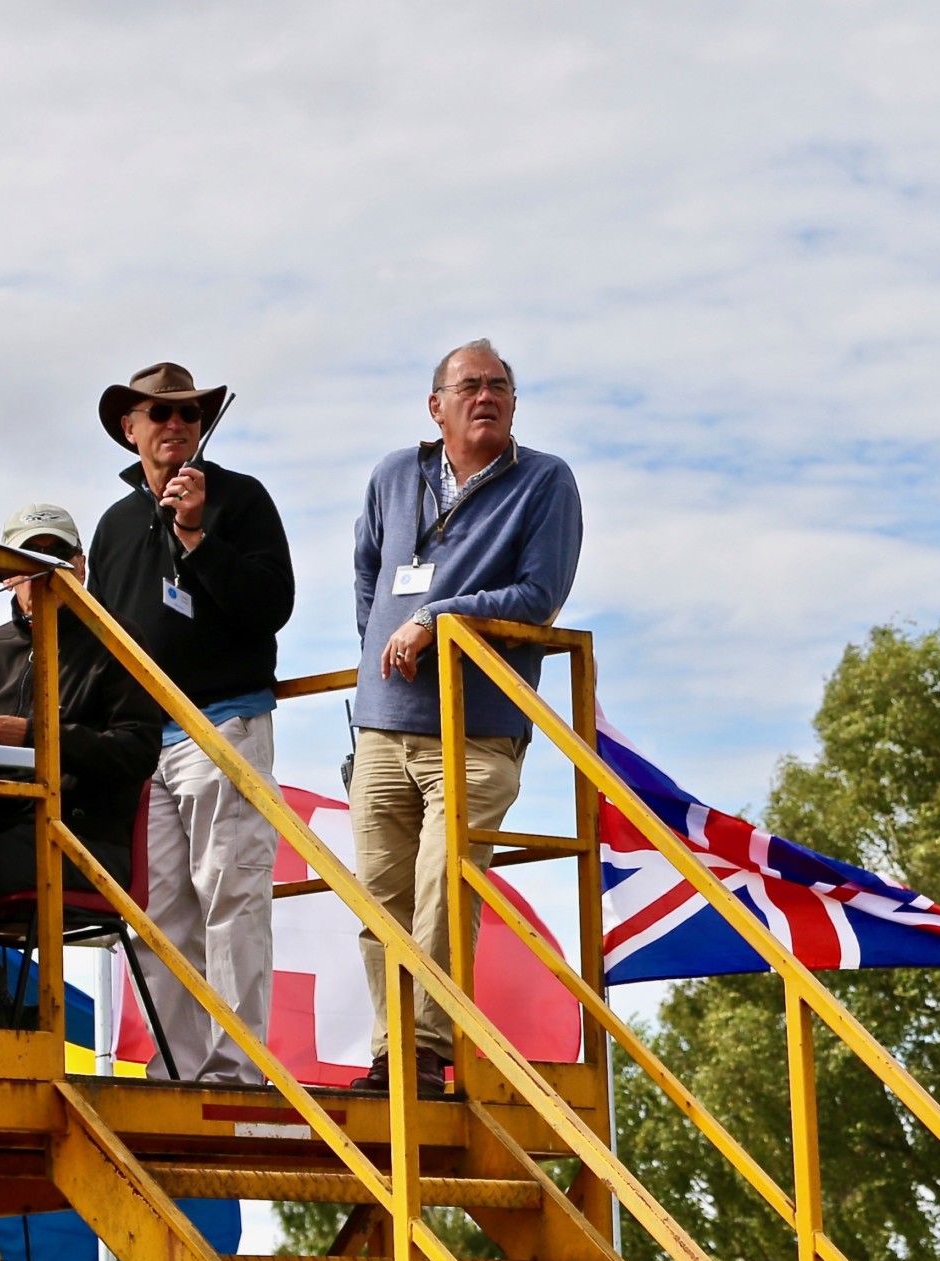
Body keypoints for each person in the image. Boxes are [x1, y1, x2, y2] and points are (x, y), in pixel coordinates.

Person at [347, 339, 584, 1092]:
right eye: (471, 385)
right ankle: (392, 1052)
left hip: (477, 728)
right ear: (436, 406)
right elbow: (367, 574)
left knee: (443, 888)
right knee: (378, 898)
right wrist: (383, 646)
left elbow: (538, 597)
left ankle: (424, 1049)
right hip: (383, 726)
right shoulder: (393, 475)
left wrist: (436, 618)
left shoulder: (545, 480)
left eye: (500, 386)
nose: (486, 397)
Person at [85, 363, 297, 1084]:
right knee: (156, 913)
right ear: (130, 428)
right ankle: (178, 1069)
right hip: (142, 743)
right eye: (160, 412)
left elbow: (271, 607)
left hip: (223, 727)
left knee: (231, 895)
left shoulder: (241, 498)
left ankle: (237, 1069)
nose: (176, 424)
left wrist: (198, 535)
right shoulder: (114, 527)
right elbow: (101, 642)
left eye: (190, 413)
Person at [0, 502, 161, 1028]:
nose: (46, 571)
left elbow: (138, 751)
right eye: (30, 560)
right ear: (6, 576)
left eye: (58, 557)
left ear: (82, 567)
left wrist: (35, 736)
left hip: (83, 842)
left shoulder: (117, 640)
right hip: (7, 839)